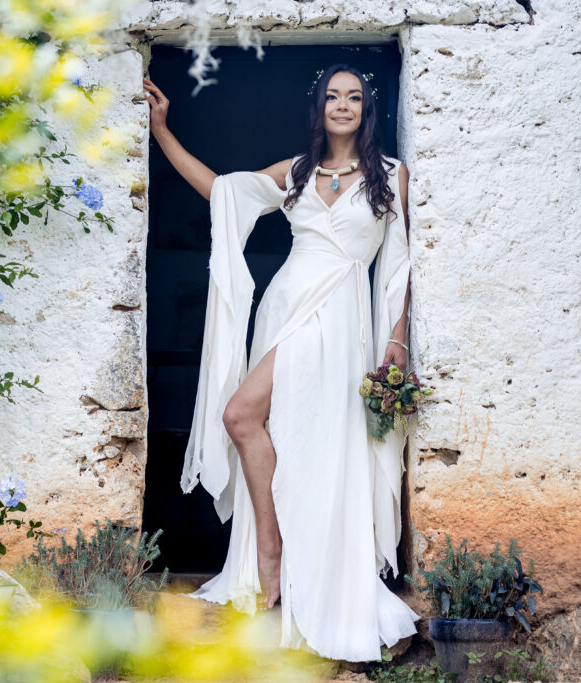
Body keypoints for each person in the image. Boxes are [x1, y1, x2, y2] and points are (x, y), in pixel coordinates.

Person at [144, 63, 420, 662]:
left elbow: (398, 267)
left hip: (340, 319)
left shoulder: (392, 177)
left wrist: (395, 343)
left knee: (272, 425)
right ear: (319, 106)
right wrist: (162, 133)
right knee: (249, 418)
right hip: (286, 307)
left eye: (353, 98)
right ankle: (269, 547)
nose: (342, 105)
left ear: (367, 111)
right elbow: (221, 192)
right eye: (332, 96)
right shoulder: (296, 172)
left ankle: (286, 555)